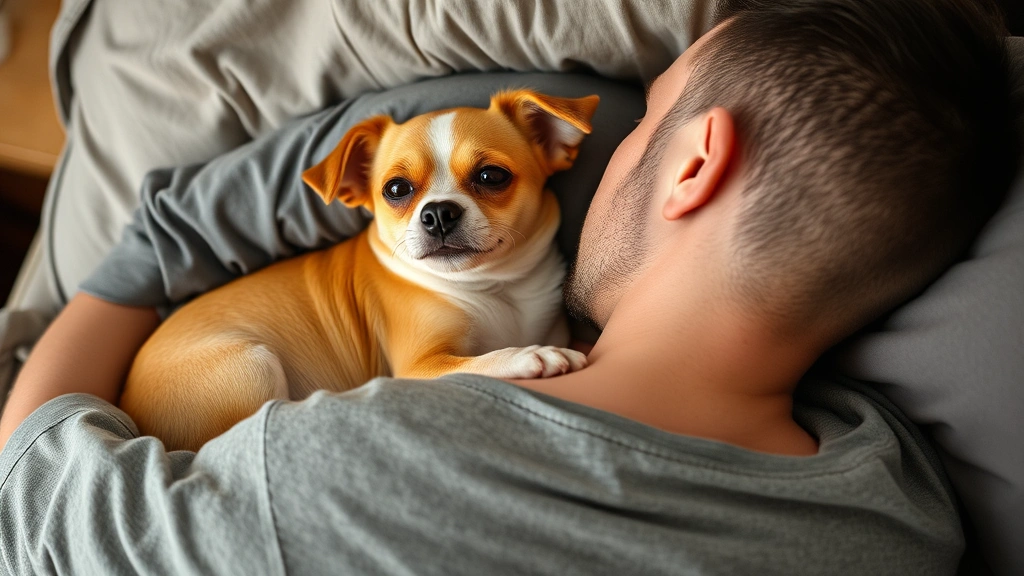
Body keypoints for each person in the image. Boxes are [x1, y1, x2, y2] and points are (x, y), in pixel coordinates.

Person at [0, 0, 1014, 574]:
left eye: (642, 119)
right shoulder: (902, 517)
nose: (604, 145)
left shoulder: (333, 464)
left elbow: (30, 493)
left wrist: (158, 244)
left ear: (697, 162)